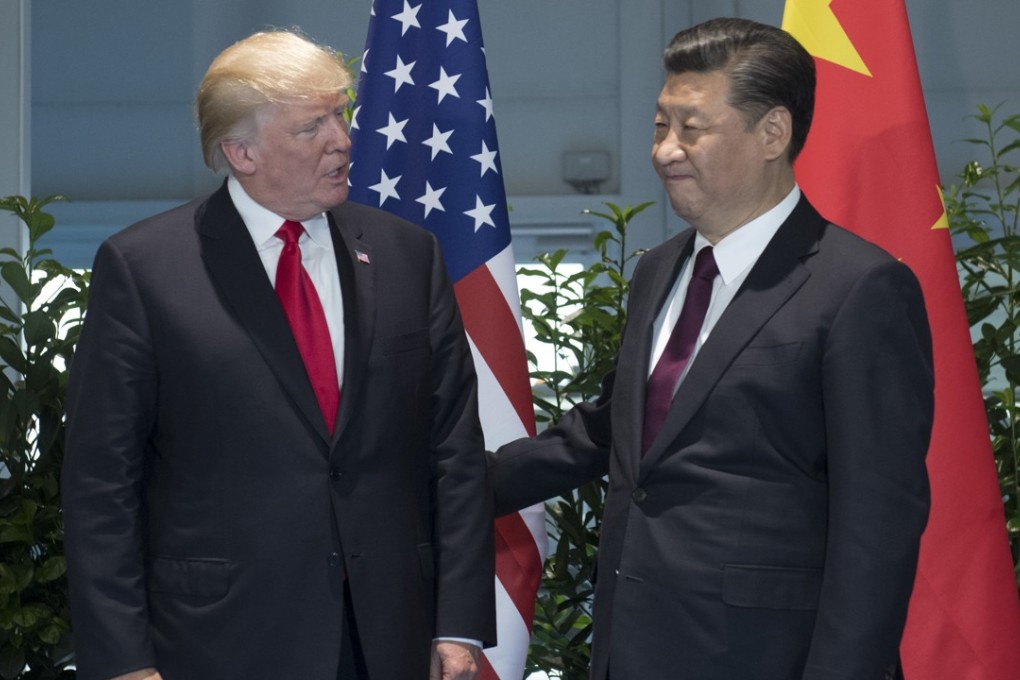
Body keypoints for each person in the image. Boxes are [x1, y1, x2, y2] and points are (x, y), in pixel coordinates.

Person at [489, 17, 934, 680]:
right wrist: (445, 482)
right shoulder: (657, 270)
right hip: (630, 649)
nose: (665, 150)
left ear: (773, 133)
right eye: (659, 125)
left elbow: (877, 527)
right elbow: (613, 429)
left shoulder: (860, 287)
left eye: (691, 128)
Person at [62, 29, 494, 680]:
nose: (342, 140)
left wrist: (458, 622)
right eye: (311, 126)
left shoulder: (409, 254)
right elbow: (102, 483)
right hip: (220, 641)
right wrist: (123, 660)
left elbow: (454, 451)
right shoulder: (145, 268)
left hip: (389, 637)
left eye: (340, 115)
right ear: (241, 152)